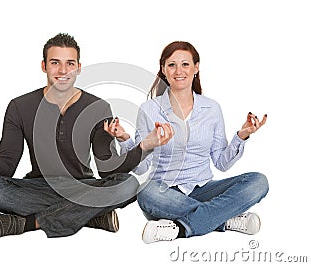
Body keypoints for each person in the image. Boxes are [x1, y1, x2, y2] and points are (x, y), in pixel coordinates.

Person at [0, 33, 174, 239]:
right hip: (38, 186)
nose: (63, 71)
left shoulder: (98, 108)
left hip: (83, 185)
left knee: (128, 184)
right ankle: (91, 215)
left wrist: (146, 145)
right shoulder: (20, 106)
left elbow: (108, 171)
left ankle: (27, 224)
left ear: (79, 67)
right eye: (55, 63)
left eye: (70, 64)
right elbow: (5, 168)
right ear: (44, 66)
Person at [105, 41, 269, 244]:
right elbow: (141, 169)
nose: (178, 71)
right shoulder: (149, 109)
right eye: (172, 65)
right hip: (164, 194)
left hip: (204, 189)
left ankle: (180, 228)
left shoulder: (211, 108)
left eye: (185, 64)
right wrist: (126, 139)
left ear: (196, 68)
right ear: (163, 70)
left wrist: (242, 135)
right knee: (145, 192)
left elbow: (221, 163)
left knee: (258, 181)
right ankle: (224, 219)